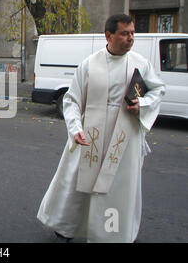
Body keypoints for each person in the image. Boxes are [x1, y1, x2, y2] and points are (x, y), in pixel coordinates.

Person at [37, 14, 165, 243]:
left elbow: (157, 91)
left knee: (117, 188)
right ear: (109, 35)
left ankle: (112, 233)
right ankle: (65, 228)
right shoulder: (89, 64)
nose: (130, 38)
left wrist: (142, 104)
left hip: (124, 139)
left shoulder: (141, 64)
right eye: (125, 33)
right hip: (91, 136)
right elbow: (72, 100)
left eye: (133, 33)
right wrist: (75, 128)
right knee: (76, 183)